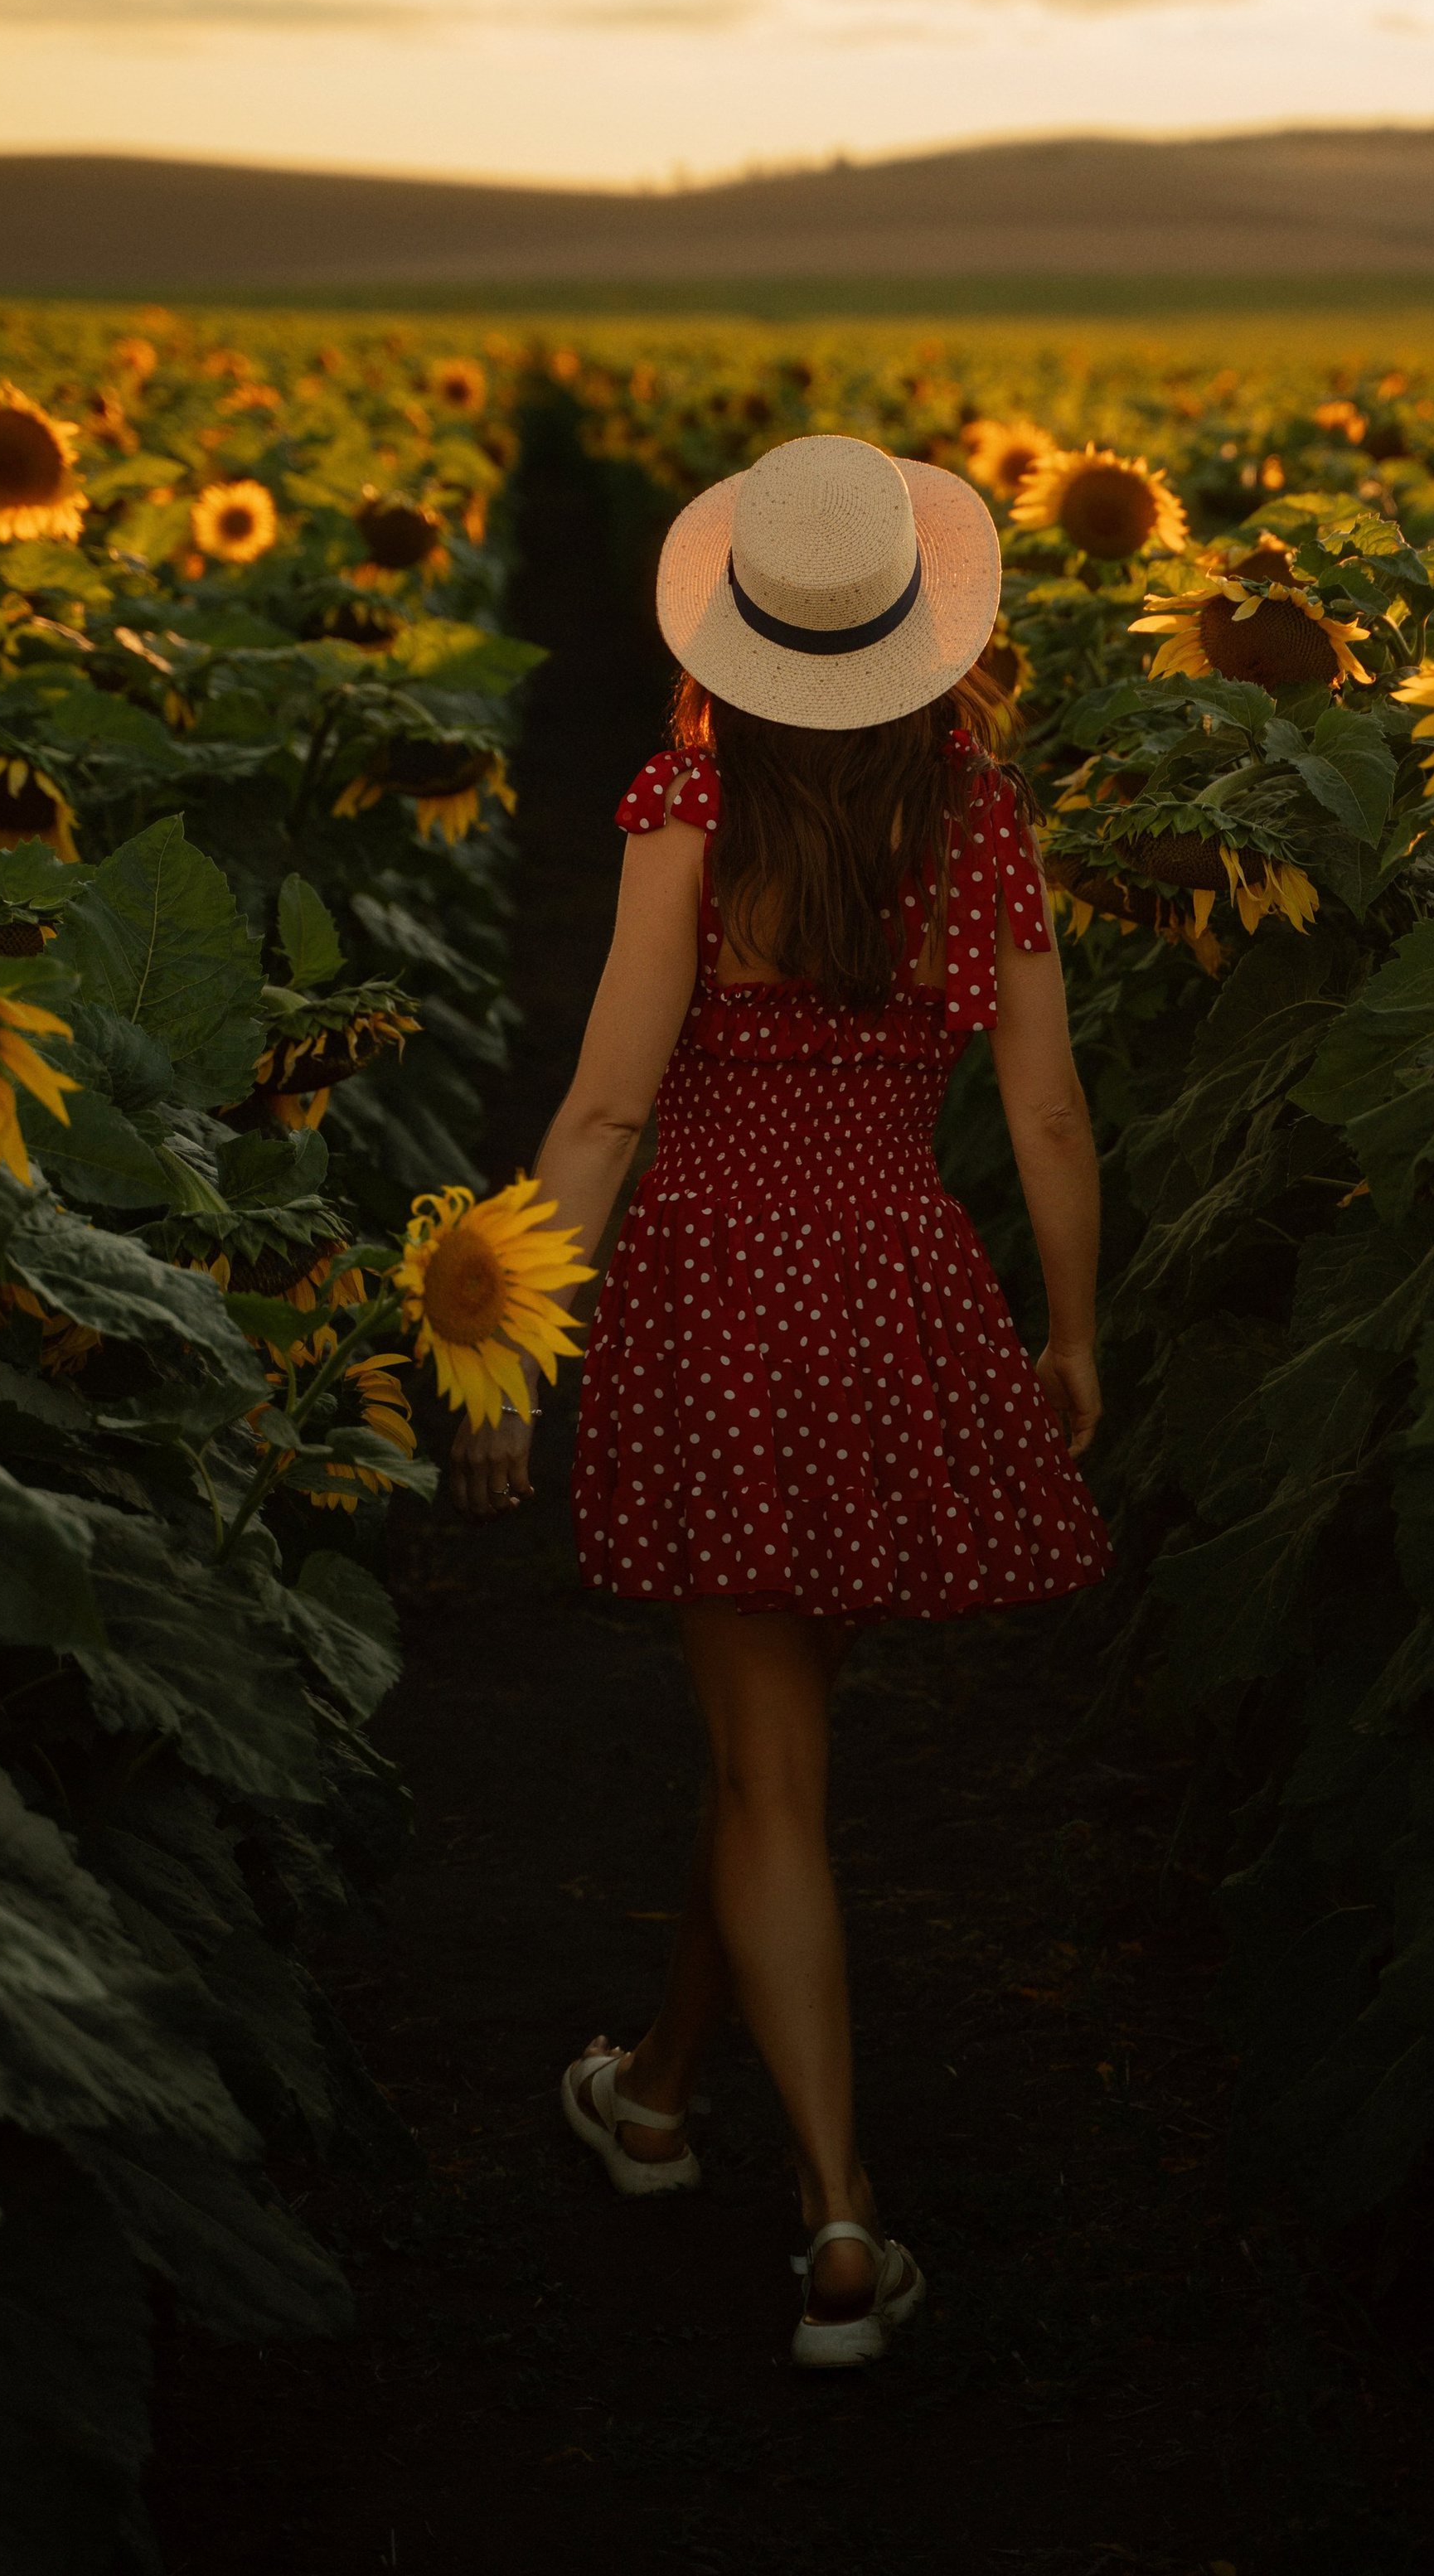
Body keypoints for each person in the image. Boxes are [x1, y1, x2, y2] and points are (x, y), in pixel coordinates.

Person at [448, 430, 1110, 2366]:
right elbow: (1046, 1113)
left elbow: (600, 1109)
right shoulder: (980, 822)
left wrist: (510, 1339)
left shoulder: (687, 798)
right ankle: (653, 2089)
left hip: (718, 1297)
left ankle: (836, 2213)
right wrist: (1069, 1331)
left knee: (765, 1775)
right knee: (780, 1759)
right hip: (895, 1293)